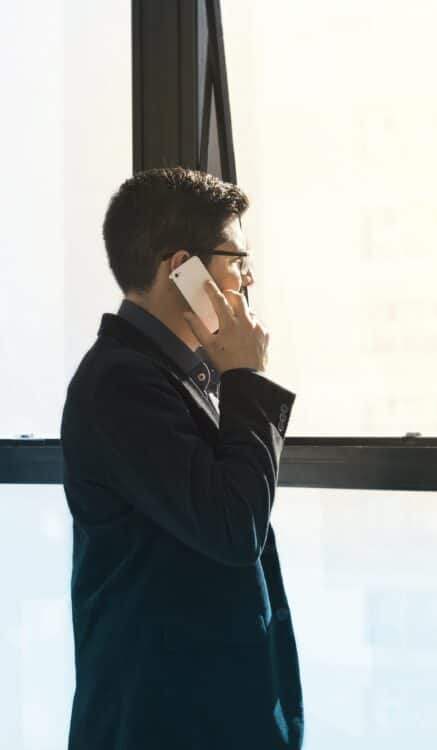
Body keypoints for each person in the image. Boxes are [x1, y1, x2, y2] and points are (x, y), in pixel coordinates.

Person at [60, 167, 304, 748]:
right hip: (163, 722)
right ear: (182, 270)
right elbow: (232, 524)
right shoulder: (120, 385)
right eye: (234, 258)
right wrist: (245, 375)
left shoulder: (175, 376)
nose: (248, 278)